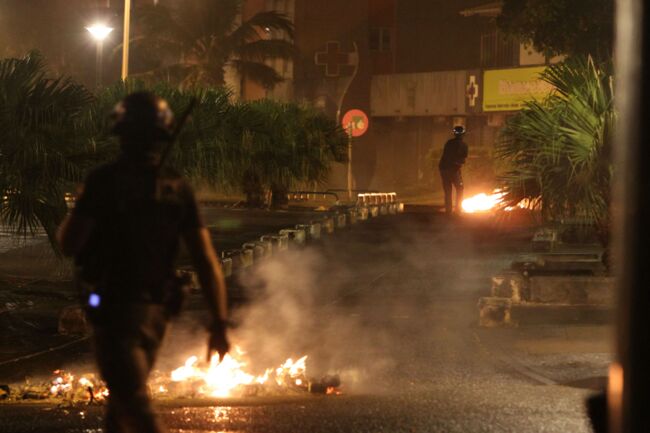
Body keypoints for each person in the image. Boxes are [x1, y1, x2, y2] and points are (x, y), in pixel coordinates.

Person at [57, 92, 230, 433]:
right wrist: (219, 323)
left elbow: (70, 242)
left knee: (134, 403)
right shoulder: (177, 187)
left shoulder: (104, 181)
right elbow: (206, 261)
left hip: (115, 310)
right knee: (119, 411)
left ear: (121, 133)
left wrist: (80, 208)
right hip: (157, 313)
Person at [438, 125, 469, 215]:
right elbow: (463, 159)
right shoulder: (463, 145)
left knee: (448, 190)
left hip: (443, 169)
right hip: (453, 169)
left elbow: (446, 155)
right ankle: (458, 210)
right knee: (460, 188)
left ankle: (448, 211)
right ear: (463, 134)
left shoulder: (449, 143)